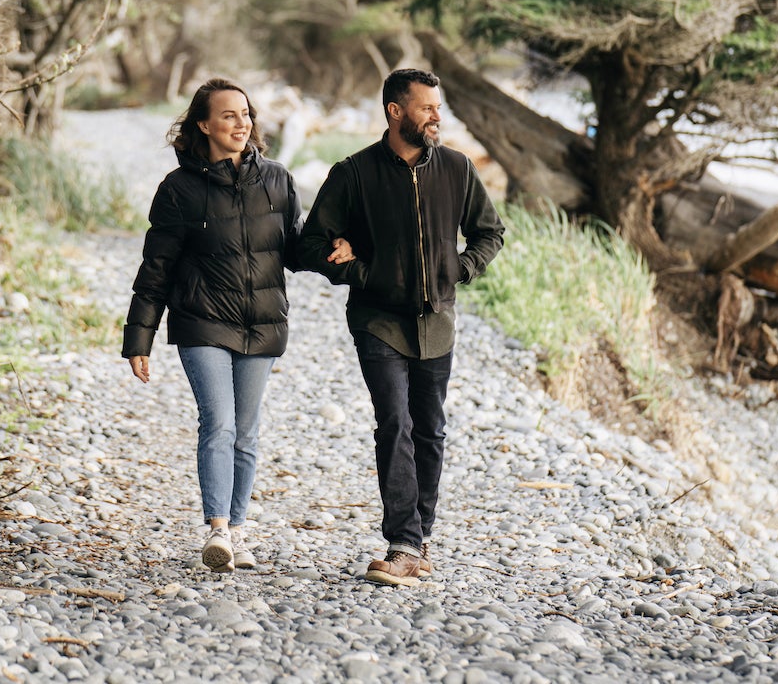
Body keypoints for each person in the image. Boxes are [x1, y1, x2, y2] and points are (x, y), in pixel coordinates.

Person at [123, 78, 349, 572]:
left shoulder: (277, 179)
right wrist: (139, 336)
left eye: (245, 114)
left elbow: (294, 249)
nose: (241, 123)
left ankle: (239, 531)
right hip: (202, 322)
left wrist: (339, 253)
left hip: (262, 324)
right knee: (219, 423)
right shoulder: (178, 190)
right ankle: (218, 530)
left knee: (246, 432)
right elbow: (156, 268)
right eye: (228, 115)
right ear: (204, 125)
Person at [299, 67, 504, 586]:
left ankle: (419, 537)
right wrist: (354, 268)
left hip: (437, 321)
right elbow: (308, 245)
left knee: (429, 429)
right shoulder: (354, 173)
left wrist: (458, 269)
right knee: (395, 423)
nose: (437, 116)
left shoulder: (457, 168)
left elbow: (490, 233)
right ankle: (404, 542)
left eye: (438, 107)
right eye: (427, 107)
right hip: (378, 321)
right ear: (395, 111)